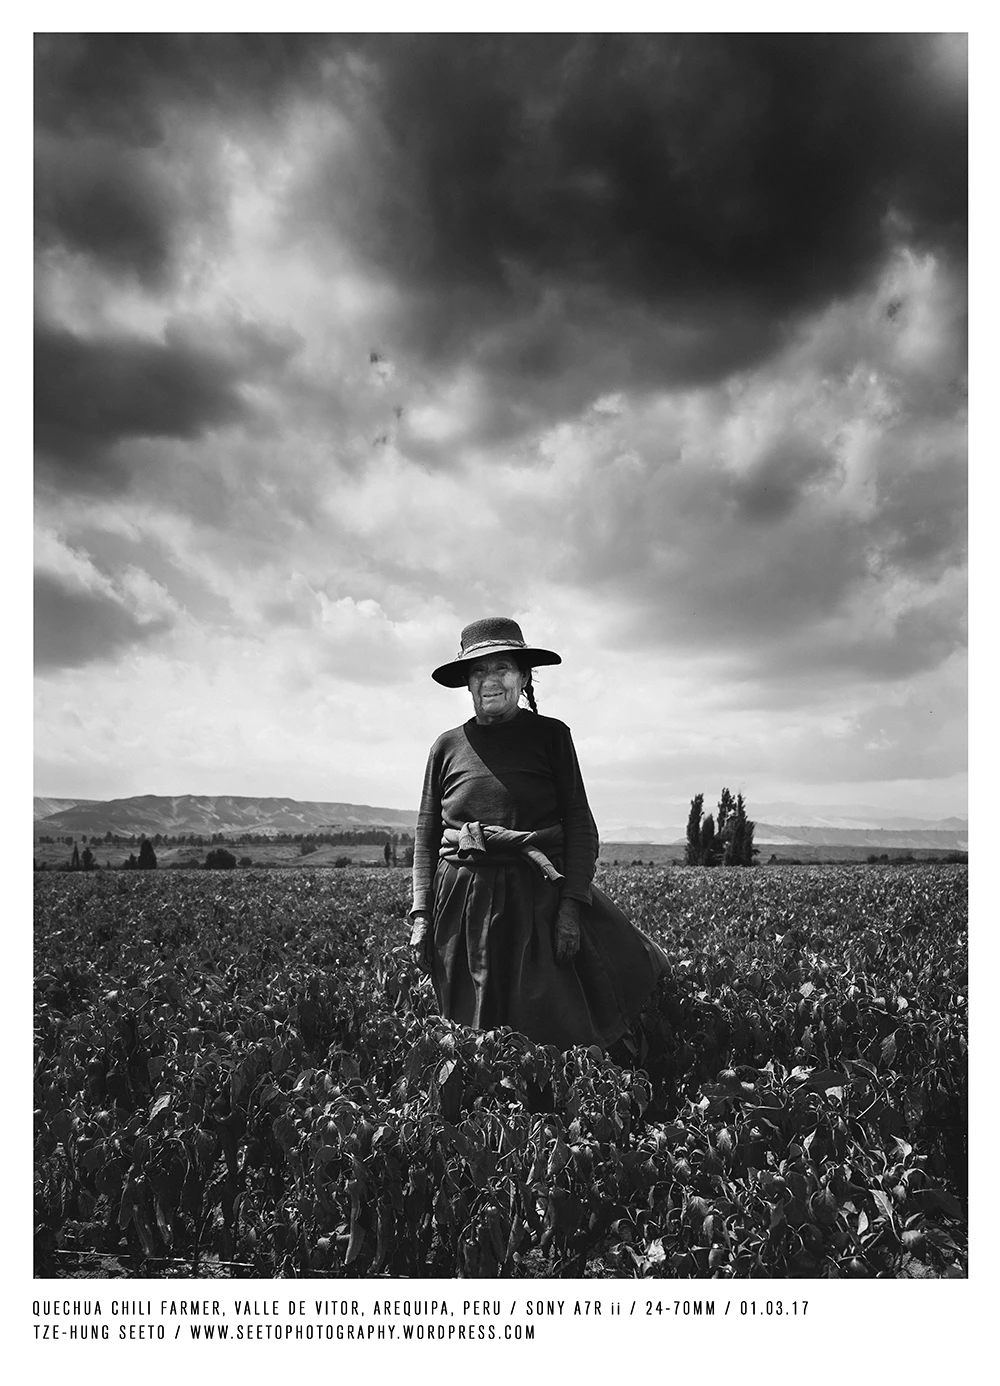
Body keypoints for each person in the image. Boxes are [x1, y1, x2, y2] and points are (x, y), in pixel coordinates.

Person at [408, 617, 669, 1050]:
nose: (490, 681)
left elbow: (580, 825)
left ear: (524, 677)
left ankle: (549, 1108)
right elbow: (426, 834)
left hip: (536, 900)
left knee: (548, 1019)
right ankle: (481, 1113)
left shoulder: (551, 736)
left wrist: (571, 908)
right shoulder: (446, 747)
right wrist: (421, 916)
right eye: (479, 671)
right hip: (462, 906)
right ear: (467, 684)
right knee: (468, 1030)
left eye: (502, 669)